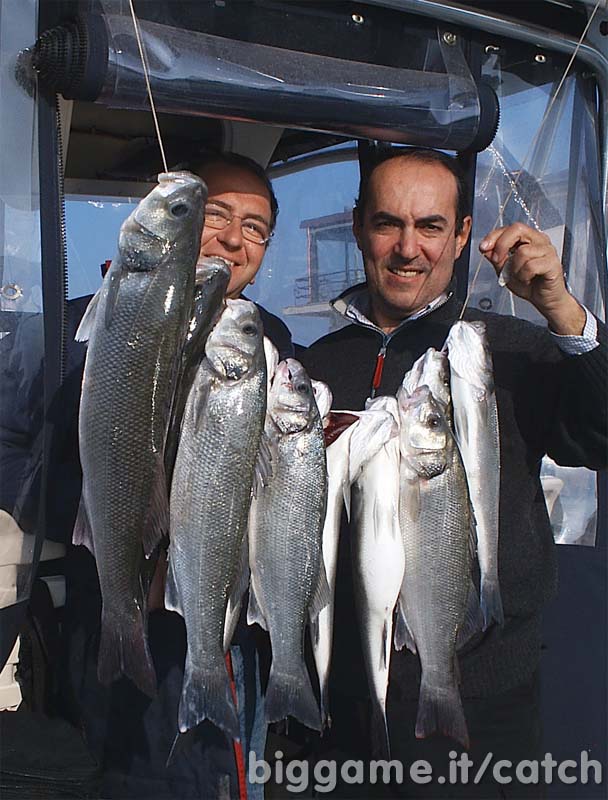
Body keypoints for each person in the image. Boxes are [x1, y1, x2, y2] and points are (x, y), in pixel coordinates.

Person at [299, 147, 607, 798]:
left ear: (463, 234)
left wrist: (562, 311)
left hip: (484, 702)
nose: (408, 248)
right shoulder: (316, 366)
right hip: (344, 699)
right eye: (387, 223)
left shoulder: (508, 351)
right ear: (358, 228)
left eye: (431, 226)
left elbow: (601, 438)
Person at [52, 152, 293, 800]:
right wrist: (111, 527)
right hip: (106, 603)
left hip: (215, 627)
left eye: (255, 228)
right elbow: (31, 452)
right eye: (215, 214)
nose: (233, 239)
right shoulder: (86, 324)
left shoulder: (273, 345)